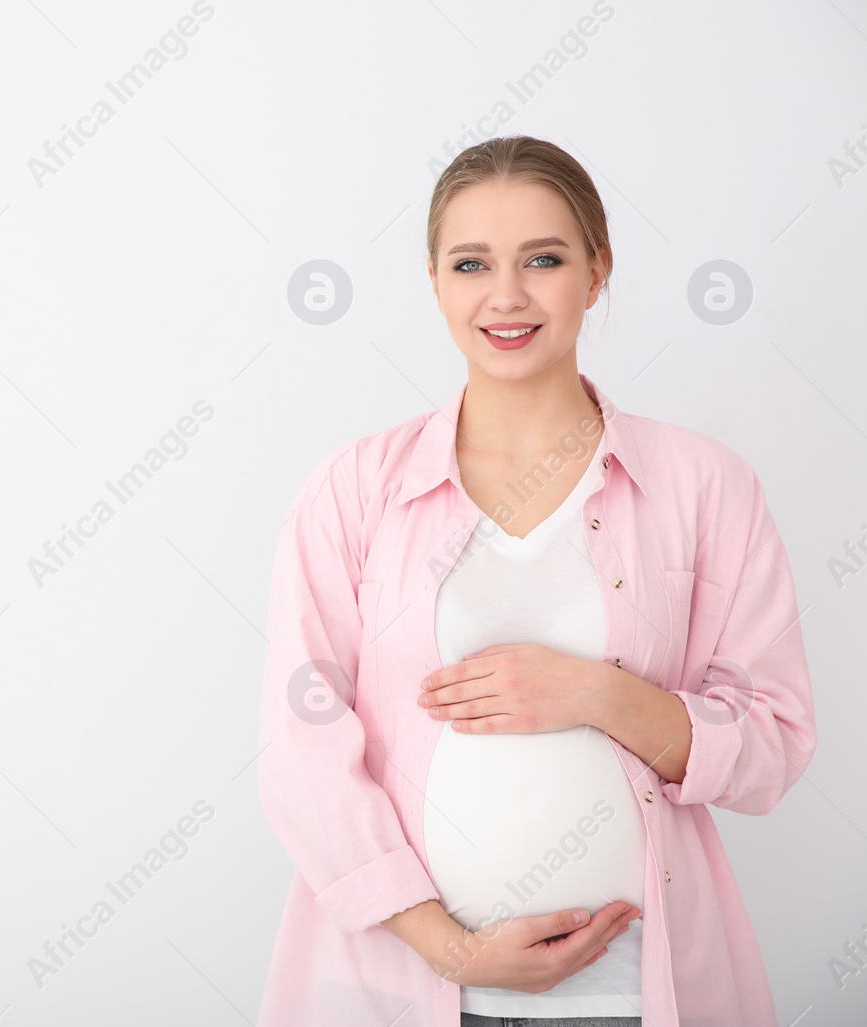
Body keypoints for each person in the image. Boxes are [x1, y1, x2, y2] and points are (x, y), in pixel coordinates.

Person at [255, 135, 816, 1027]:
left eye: (544, 259)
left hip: (637, 992)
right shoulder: (354, 489)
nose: (506, 295)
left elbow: (774, 744)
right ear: (435, 280)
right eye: (471, 262)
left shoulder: (705, 484)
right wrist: (452, 947)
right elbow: (301, 750)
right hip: (399, 987)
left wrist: (598, 693)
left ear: (596, 272)